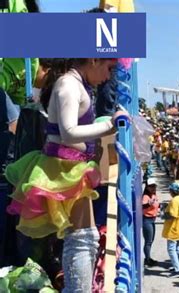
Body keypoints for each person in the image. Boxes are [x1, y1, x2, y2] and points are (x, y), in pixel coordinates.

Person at [5, 58, 125, 292]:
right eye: (109, 68)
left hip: (73, 167)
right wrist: (109, 125)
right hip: (64, 169)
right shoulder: (68, 84)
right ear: (94, 60)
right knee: (80, 239)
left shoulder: (75, 84)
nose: (108, 77)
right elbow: (69, 133)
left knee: (87, 237)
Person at [162, 182, 179, 278]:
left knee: (171, 249)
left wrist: (163, 214)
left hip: (173, 228)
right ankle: (178, 266)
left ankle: (178, 271)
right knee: (177, 249)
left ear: (172, 191)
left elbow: (172, 215)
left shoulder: (175, 201)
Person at [142, 178, 160, 267]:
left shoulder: (154, 195)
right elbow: (143, 206)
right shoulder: (146, 196)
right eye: (151, 186)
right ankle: (147, 259)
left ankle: (148, 257)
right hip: (147, 219)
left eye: (154, 186)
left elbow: (157, 204)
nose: (153, 188)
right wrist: (149, 204)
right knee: (148, 241)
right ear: (147, 187)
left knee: (151, 240)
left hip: (153, 219)